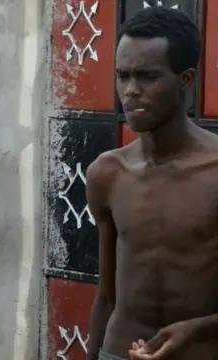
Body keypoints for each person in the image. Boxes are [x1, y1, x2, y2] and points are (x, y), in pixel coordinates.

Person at [85, 7, 218, 360]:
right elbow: (106, 295)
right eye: (123, 75)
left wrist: (200, 327)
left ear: (186, 80)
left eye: (147, 76)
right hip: (119, 352)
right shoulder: (107, 173)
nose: (130, 91)